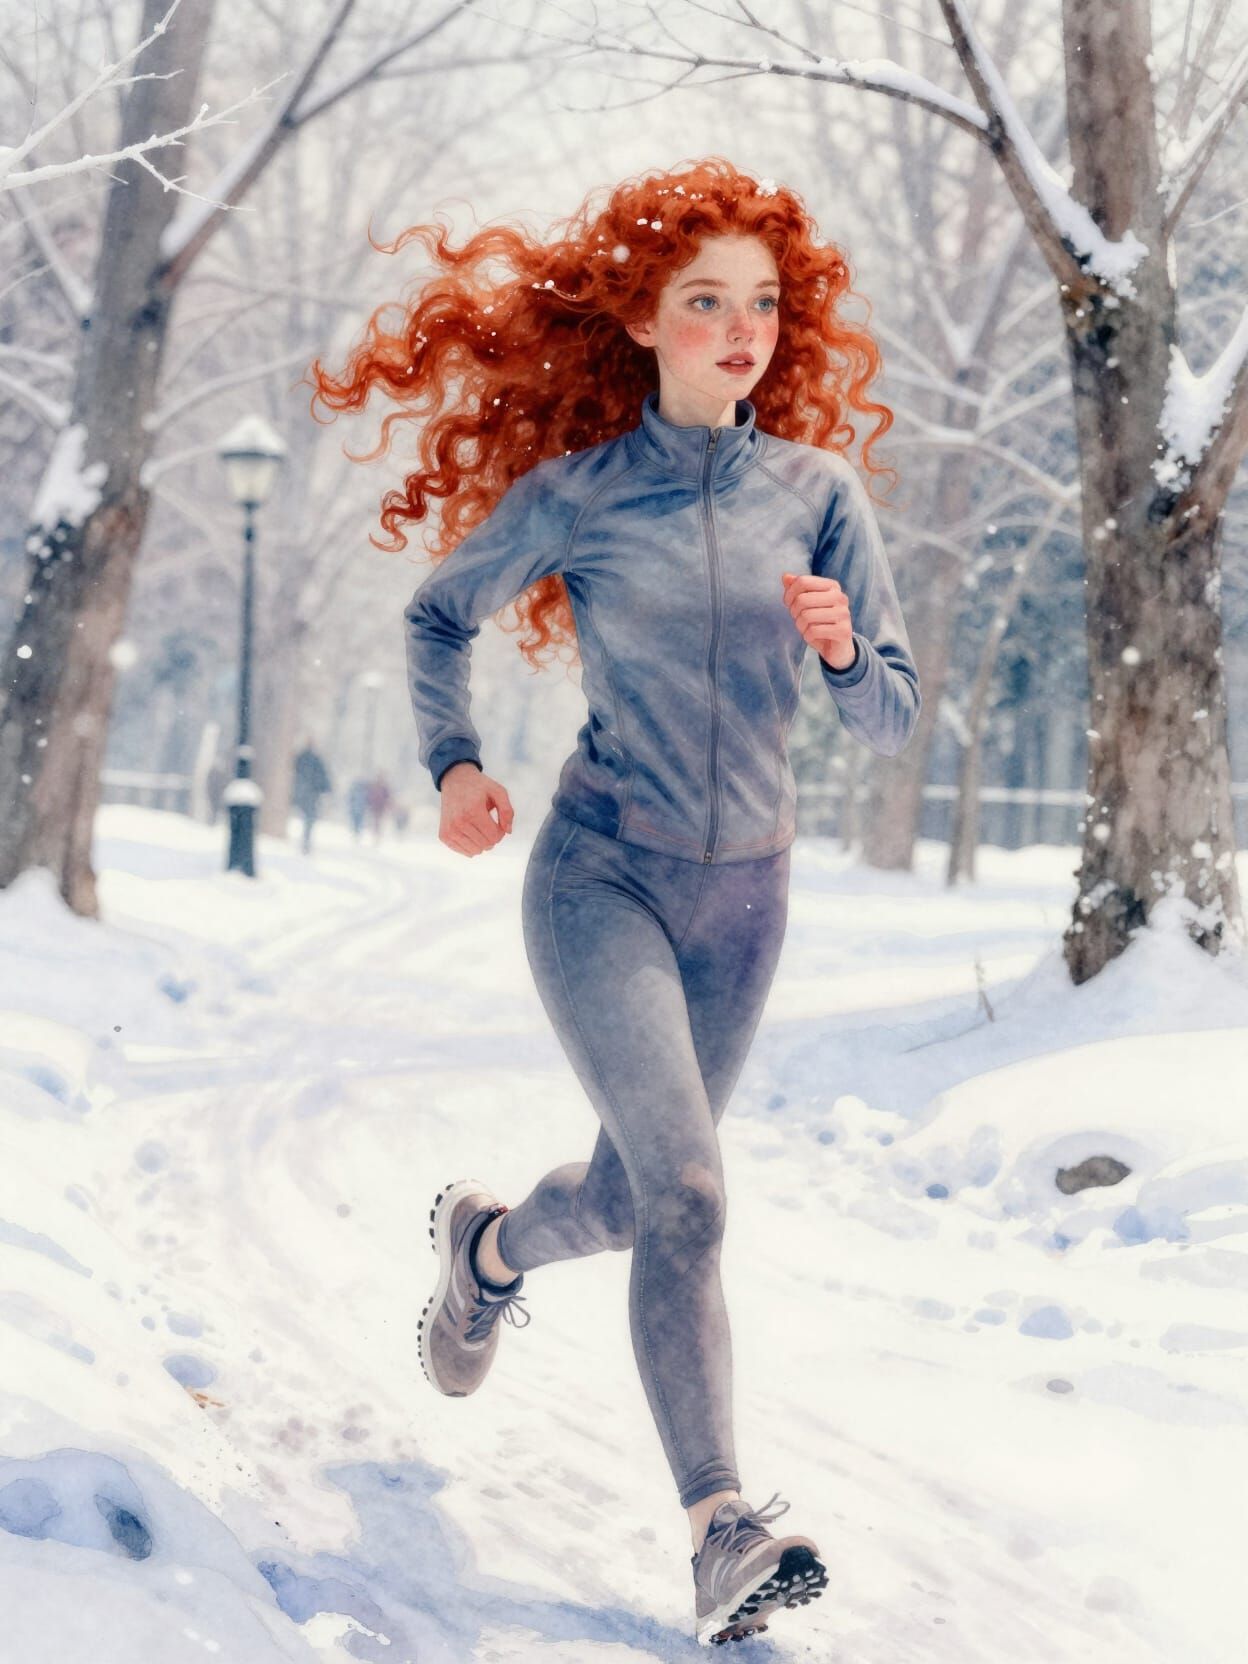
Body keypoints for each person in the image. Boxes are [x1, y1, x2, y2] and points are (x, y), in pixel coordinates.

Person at [310, 158, 921, 1647]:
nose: (738, 328)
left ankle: (489, 1250)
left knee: (641, 1197)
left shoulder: (821, 498)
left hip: (748, 900)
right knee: (693, 1198)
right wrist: (454, 765)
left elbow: (894, 723)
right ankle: (722, 1527)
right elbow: (437, 611)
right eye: (702, 301)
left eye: (762, 304)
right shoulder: (578, 496)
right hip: (603, 877)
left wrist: (846, 656)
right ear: (641, 320)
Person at [291, 739, 333, 855]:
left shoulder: (301, 758)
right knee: (309, 819)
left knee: (307, 818)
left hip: (304, 794)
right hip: (311, 794)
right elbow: (323, 776)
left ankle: (305, 841)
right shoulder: (315, 759)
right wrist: (326, 789)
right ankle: (306, 841)